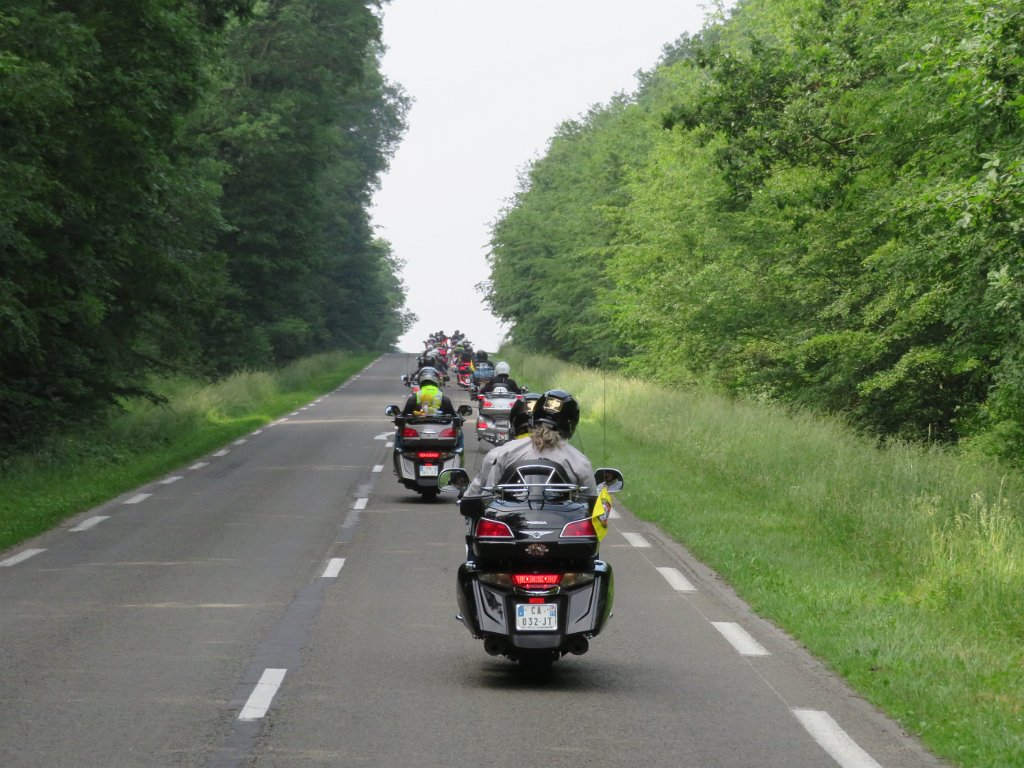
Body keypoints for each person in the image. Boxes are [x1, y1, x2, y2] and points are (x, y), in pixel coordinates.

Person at [462, 389, 594, 501]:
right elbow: (593, 505)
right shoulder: (579, 462)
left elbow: (488, 496)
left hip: (511, 519)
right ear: (571, 424)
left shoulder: (506, 452)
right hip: (561, 520)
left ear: (534, 417)